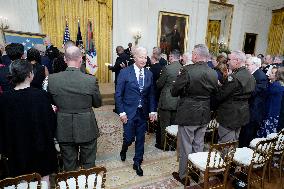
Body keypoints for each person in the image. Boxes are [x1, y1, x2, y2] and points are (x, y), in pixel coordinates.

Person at [0, 59, 57, 184]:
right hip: (41, 148)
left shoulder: (4, 99)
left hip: (16, 150)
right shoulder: (42, 96)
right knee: (43, 182)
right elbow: (52, 124)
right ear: (30, 75)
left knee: (21, 183)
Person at [48, 46, 102, 171]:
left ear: (65, 59)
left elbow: (51, 103)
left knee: (69, 165)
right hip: (87, 127)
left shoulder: (52, 79)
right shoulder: (91, 80)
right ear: (81, 59)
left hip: (63, 126)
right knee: (89, 164)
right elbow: (97, 103)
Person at [171, 44, 218, 185]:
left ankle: (184, 176)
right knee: (199, 144)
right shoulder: (213, 72)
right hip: (204, 113)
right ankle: (196, 173)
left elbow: (174, 91)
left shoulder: (187, 70)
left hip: (189, 113)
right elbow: (215, 92)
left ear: (196, 56)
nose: (192, 55)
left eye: (192, 53)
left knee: (186, 146)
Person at [115, 46, 157, 176]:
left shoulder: (149, 73)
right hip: (128, 112)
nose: (144, 60)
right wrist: (121, 112)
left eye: (145, 57)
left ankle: (137, 162)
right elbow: (118, 94)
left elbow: (151, 95)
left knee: (140, 138)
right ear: (134, 57)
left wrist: (152, 111)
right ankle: (124, 148)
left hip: (142, 113)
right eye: (141, 57)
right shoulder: (125, 72)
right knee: (129, 138)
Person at [215, 50, 255, 144]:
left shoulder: (234, 77)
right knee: (234, 142)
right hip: (241, 112)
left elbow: (221, 95)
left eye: (229, 60)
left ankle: (225, 159)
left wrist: (218, 86)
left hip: (230, 115)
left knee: (225, 144)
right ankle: (230, 159)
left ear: (237, 60)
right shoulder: (250, 76)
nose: (227, 62)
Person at [239, 57, 268, 147]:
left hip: (253, 111)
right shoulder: (252, 74)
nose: (246, 66)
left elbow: (253, 92)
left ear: (255, 65)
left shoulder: (261, 76)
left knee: (247, 135)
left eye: (248, 65)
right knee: (243, 134)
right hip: (248, 109)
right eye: (246, 64)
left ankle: (244, 156)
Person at [156, 50, 182, 150]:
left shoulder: (167, 68)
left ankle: (164, 145)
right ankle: (173, 144)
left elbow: (160, 84)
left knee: (164, 124)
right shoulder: (183, 68)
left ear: (171, 57)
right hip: (178, 100)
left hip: (167, 100)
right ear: (179, 57)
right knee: (174, 125)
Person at [257, 67, 284, 137]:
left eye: (273, 73)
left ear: (278, 75)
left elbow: (264, 93)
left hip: (272, 112)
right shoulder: (279, 85)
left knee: (267, 136)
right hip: (277, 113)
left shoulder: (275, 86)